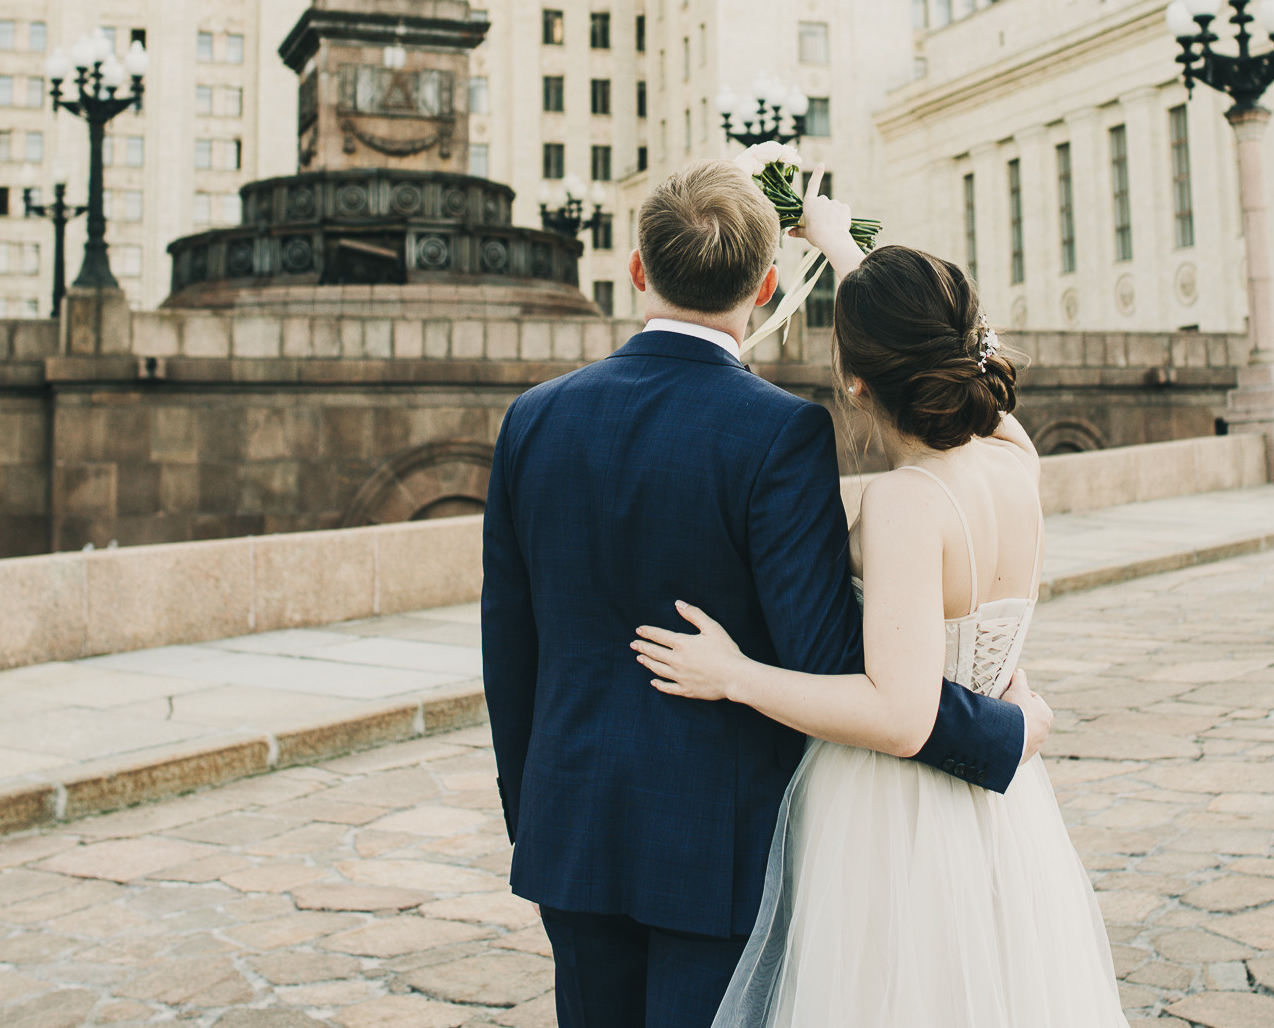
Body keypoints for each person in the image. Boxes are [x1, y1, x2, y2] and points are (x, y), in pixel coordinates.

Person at [482, 160, 1053, 1028]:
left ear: (637, 269)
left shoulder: (534, 416)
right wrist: (1008, 727)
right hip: (720, 847)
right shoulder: (778, 431)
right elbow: (828, 658)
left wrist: (537, 816)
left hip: (571, 828)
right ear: (768, 283)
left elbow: (508, 645)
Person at [632, 180, 1125, 1027]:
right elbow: (918, 339)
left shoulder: (906, 504)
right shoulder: (1015, 456)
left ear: (853, 383)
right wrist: (839, 246)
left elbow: (898, 715)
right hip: (1002, 811)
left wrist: (735, 673)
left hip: (896, 814)